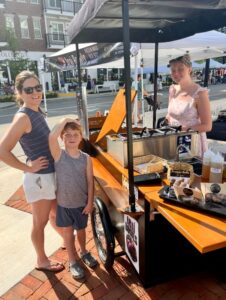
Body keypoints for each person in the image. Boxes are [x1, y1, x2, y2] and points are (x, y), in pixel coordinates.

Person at [0, 71, 64, 272]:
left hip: (48, 175)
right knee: (40, 222)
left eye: (38, 88)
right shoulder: (23, 117)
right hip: (39, 179)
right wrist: (28, 167)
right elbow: (2, 150)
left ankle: (65, 240)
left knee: (55, 214)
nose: (36, 92)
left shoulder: (36, 110)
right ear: (19, 92)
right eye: (29, 90)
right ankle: (42, 261)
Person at [49, 119, 97, 279]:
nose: (71, 137)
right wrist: (65, 121)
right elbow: (51, 137)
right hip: (64, 204)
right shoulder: (59, 155)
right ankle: (72, 260)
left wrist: (90, 202)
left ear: (81, 138)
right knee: (68, 233)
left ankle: (84, 252)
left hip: (81, 205)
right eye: (67, 135)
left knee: (82, 231)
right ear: (62, 138)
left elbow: (90, 181)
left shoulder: (86, 158)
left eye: (75, 134)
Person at [166, 54, 212, 157]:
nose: (176, 73)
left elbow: (207, 126)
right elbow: (170, 115)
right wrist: (165, 122)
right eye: (173, 70)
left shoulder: (200, 93)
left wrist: (185, 129)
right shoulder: (172, 90)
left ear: (189, 69)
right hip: (173, 138)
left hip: (192, 142)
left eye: (180, 69)